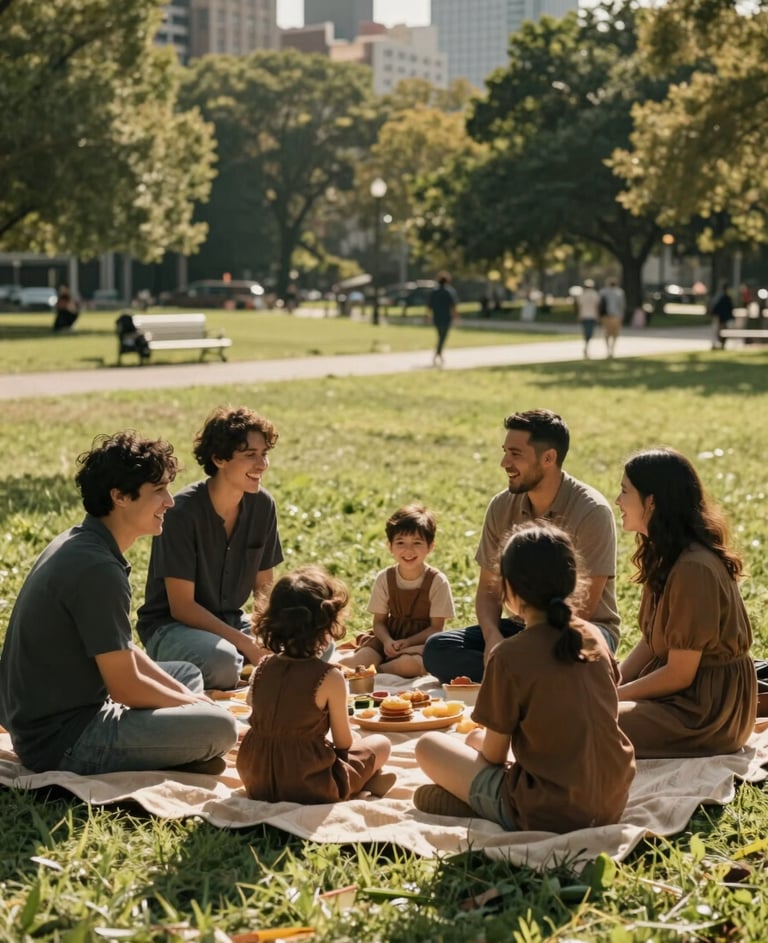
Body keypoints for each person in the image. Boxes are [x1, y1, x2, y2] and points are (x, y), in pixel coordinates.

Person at [0, 432, 237, 775]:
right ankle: (181, 750)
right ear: (120, 497)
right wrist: (192, 705)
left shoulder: (83, 542)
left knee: (186, 674)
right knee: (221, 727)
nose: (169, 501)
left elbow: (122, 650)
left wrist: (189, 701)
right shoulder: (97, 570)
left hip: (67, 710)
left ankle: (179, 748)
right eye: (158, 491)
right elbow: (125, 687)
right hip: (64, 740)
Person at [414, 523, 636, 827]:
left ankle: (486, 807)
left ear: (509, 589)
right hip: (613, 799)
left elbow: (493, 756)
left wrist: (477, 740)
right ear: (572, 581)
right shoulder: (595, 635)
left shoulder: (509, 656)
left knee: (429, 746)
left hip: (548, 810)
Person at [423, 409, 620, 683]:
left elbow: (584, 607)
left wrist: (521, 649)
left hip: (579, 631)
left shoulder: (592, 511)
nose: (504, 462)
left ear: (548, 458)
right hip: (520, 627)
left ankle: (514, 676)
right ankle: (529, 677)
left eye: (515, 454)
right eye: (505, 451)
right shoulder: (501, 506)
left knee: (565, 657)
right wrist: (493, 639)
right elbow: (488, 590)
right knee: (438, 649)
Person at [615, 448, 757, 757]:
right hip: (681, 694)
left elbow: (680, 674)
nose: (618, 501)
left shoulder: (693, 569)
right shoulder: (665, 553)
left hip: (706, 710)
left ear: (651, 501)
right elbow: (653, 642)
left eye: (625, 491)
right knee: (578, 712)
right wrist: (614, 683)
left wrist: (612, 699)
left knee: (585, 723)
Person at [137, 406, 284, 690]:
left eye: (264, 453)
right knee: (223, 663)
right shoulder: (181, 513)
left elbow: (264, 585)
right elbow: (182, 607)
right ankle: (160, 670)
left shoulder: (263, 506)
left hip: (231, 621)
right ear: (219, 459)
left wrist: (271, 632)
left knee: (311, 646)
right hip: (172, 627)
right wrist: (245, 643)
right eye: (250, 455)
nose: (262, 464)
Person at [237, 567, 395, 803]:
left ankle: (365, 781)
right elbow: (344, 742)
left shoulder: (262, 667)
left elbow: (259, 707)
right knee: (379, 744)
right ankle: (357, 783)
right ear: (327, 624)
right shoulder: (329, 677)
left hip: (255, 776)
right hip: (307, 782)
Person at [336, 504, 456, 677]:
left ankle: (377, 671)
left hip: (419, 643)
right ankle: (349, 668)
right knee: (359, 659)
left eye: (417, 543)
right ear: (390, 546)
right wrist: (387, 641)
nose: (408, 550)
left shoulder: (437, 581)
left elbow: (436, 628)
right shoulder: (385, 578)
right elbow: (379, 622)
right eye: (400, 543)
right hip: (389, 638)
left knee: (410, 665)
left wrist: (407, 643)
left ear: (430, 547)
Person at [427, 271, 459, 368]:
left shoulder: (434, 292)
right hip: (446, 317)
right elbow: (453, 306)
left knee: (440, 335)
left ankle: (438, 353)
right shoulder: (449, 291)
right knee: (443, 336)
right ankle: (438, 353)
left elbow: (429, 305)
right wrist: (456, 316)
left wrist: (426, 315)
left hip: (437, 317)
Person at [599, 277, 626, 358]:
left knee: (607, 333)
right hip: (616, 316)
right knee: (615, 334)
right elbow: (622, 305)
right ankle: (612, 349)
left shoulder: (603, 292)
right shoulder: (620, 292)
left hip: (606, 316)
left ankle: (608, 349)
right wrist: (622, 316)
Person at [576, 279, 601, 358]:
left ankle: (586, 346)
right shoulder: (595, 294)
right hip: (591, 315)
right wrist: (597, 315)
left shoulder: (582, 294)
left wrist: (579, 315)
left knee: (586, 331)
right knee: (589, 332)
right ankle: (587, 346)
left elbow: (580, 306)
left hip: (585, 315)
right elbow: (596, 306)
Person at [710, 282, 734, 350]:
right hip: (722, 318)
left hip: (721, 318)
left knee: (719, 332)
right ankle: (719, 345)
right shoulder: (725, 298)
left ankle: (719, 345)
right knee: (720, 332)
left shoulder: (720, 297)